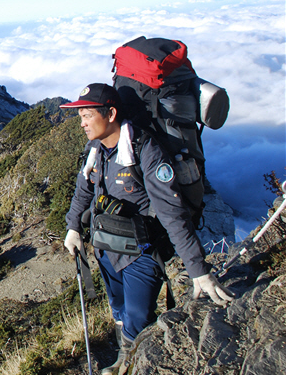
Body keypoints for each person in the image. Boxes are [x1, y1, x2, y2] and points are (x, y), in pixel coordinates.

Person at [60, 83, 234, 374]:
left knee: (138, 316)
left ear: (111, 113)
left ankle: (134, 364)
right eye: (81, 116)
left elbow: (171, 211)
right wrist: (73, 227)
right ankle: (122, 360)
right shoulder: (95, 150)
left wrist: (197, 268)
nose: (83, 123)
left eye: (88, 115)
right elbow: (83, 191)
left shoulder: (145, 149)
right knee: (118, 309)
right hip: (106, 248)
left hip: (140, 253)